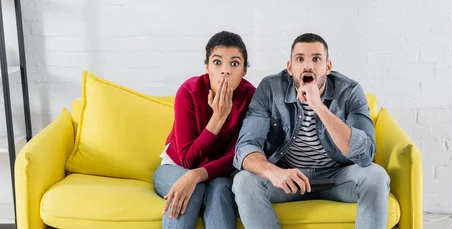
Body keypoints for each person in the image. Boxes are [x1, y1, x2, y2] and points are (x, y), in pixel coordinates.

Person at [232, 33, 390, 229]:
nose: (308, 66)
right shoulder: (270, 89)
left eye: (316, 59)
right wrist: (274, 172)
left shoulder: (350, 91)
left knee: (377, 176)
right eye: (300, 59)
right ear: (290, 67)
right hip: (288, 180)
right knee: (243, 181)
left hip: (338, 177)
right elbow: (245, 147)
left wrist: (319, 107)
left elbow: (365, 155)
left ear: (328, 67)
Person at [153, 31, 255, 229]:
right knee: (193, 189)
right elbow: (187, 160)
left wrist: (198, 175)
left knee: (219, 190)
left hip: (219, 174)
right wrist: (218, 118)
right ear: (207, 67)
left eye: (234, 64)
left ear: (244, 70)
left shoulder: (251, 97)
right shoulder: (189, 91)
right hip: (175, 167)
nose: (225, 71)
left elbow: (237, 156)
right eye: (217, 63)